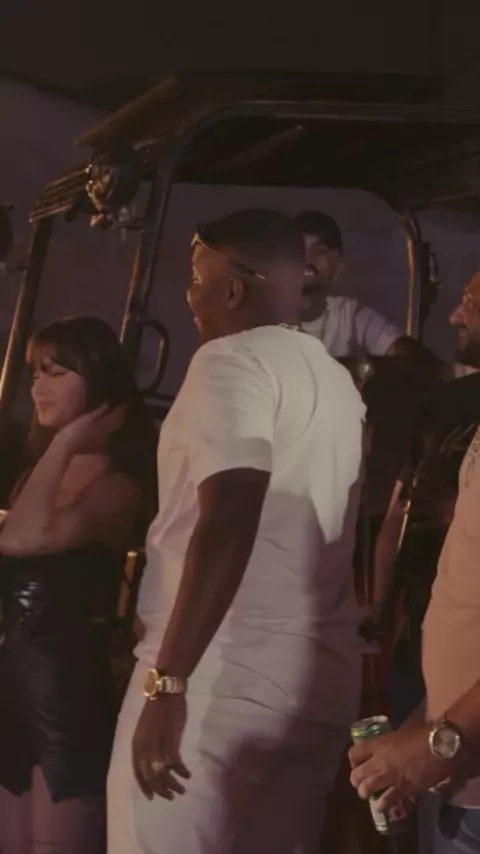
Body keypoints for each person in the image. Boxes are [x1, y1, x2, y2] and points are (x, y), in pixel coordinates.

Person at [107, 209, 366, 854]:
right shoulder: (336, 381)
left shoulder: (228, 361)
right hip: (318, 679)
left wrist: (170, 681)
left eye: (197, 278)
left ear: (232, 290)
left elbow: (229, 515)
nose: (189, 294)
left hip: (221, 677)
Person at [0, 316, 157, 854]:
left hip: (67, 686)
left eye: (56, 373)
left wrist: (65, 442)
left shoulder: (117, 484)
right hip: (13, 677)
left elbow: (21, 539)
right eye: (35, 374)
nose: (38, 388)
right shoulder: (36, 476)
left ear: (98, 383)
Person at [349, 272, 480, 853]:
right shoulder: (459, 416)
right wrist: (419, 728)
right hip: (459, 780)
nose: (454, 316)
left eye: (471, 302)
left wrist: (440, 743)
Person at [372, 271, 480, 727]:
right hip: (419, 642)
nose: (455, 316)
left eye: (471, 302)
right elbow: (400, 510)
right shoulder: (446, 403)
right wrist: (380, 609)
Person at [294, 210, 433, 360]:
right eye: (298, 249)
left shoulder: (350, 314)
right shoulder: (273, 317)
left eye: (321, 251)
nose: (307, 258)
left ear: (340, 267)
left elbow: (403, 351)